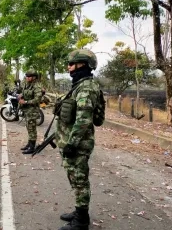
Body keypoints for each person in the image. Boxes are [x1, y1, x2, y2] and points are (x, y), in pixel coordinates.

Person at [55, 49, 100, 230]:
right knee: (75, 179)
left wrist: (71, 144)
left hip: (78, 145)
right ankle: (80, 210)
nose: (69, 67)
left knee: (80, 180)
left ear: (83, 65)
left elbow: (83, 120)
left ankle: (81, 221)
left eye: (72, 64)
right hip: (72, 142)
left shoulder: (86, 88)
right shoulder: (80, 85)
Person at [19, 69, 43, 154]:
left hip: (32, 110)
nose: (27, 78)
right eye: (26, 76)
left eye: (29, 76)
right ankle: (29, 144)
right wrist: (21, 95)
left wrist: (25, 102)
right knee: (28, 127)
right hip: (27, 110)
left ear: (34, 77)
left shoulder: (37, 86)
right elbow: (25, 92)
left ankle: (32, 147)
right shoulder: (27, 84)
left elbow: (37, 99)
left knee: (32, 128)